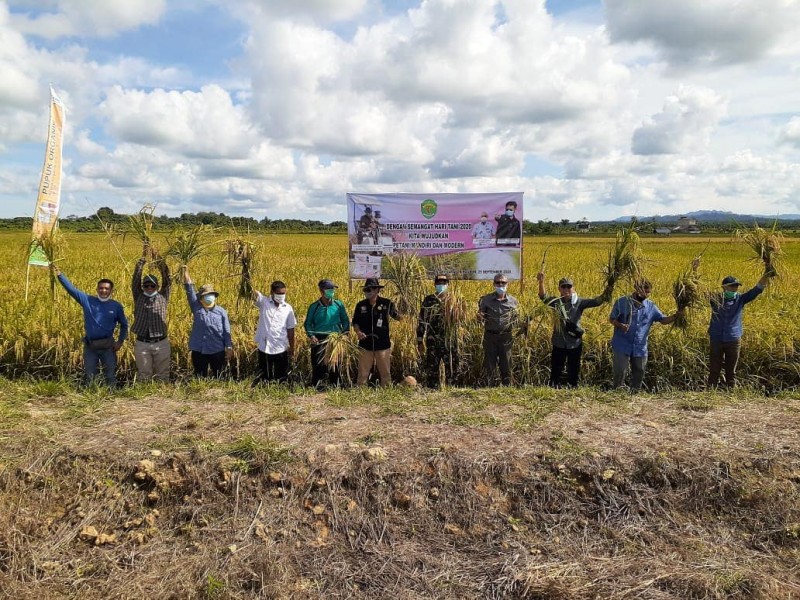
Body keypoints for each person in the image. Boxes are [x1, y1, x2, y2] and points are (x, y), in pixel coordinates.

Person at [51, 264, 128, 387]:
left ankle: (113, 397)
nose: (104, 291)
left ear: (111, 291)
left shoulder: (116, 306)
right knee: (90, 374)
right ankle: (91, 396)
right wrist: (60, 275)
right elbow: (71, 289)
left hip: (108, 346)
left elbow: (124, 325)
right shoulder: (87, 300)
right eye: (101, 288)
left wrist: (120, 342)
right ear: (97, 289)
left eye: (106, 289)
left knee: (110, 374)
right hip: (90, 346)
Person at [707, 260, 772, 388]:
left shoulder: (741, 299)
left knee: (731, 370)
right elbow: (697, 288)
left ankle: (730, 392)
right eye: (732, 286)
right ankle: (710, 392)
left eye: (736, 286)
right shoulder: (715, 299)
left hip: (733, 339)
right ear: (724, 287)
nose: (735, 288)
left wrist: (767, 273)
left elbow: (758, 289)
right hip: (716, 338)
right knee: (714, 369)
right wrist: (694, 269)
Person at [609, 279, 681, 392]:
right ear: (636, 289)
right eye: (643, 291)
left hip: (640, 346)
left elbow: (663, 320)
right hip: (622, 344)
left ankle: (634, 394)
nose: (646, 295)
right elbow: (612, 319)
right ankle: (617, 394)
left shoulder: (650, 306)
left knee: (639, 371)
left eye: (648, 292)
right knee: (620, 371)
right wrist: (620, 325)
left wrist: (676, 316)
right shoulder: (622, 302)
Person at [537, 272, 607, 388]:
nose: (566, 289)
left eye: (569, 286)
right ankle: (554, 386)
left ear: (573, 288)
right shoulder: (555, 302)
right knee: (556, 366)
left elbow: (597, 302)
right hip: (558, 341)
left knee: (574, 367)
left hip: (574, 342)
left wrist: (609, 286)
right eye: (563, 287)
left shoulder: (579, 302)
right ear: (559, 289)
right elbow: (543, 297)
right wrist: (541, 282)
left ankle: (572, 387)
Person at [131, 245, 171, 382]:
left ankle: (162, 399)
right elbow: (135, 279)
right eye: (146, 285)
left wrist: (158, 259)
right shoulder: (139, 296)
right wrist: (143, 258)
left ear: (157, 287)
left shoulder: (163, 296)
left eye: (152, 285)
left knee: (163, 374)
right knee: (144, 374)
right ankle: (144, 398)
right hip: (142, 343)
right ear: (143, 287)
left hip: (161, 342)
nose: (149, 288)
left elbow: (168, 278)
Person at [182, 267, 232, 378]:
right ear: (201, 297)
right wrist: (186, 273)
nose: (209, 297)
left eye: (211, 294)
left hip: (217, 349)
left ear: (214, 296)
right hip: (199, 349)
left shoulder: (221, 311)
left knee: (220, 376)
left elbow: (226, 331)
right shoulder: (196, 308)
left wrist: (229, 348)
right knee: (200, 376)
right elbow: (190, 291)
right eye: (206, 295)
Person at [352, 278, 400, 387]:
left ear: (377, 290)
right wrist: (358, 332)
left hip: (382, 343)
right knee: (363, 373)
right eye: (366, 289)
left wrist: (404, 307)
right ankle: (361, 391)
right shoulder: (361, 305)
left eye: (370, 289)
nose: (368, 292)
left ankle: (387, 391)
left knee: (385, 373)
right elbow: (355, 322)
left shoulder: (386, 303)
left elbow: (398, 317)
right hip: (365, 344)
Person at [304, 279, 350, 388]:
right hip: (319, 338)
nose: (331, 291)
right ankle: (318, 385)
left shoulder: (339, 305)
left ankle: (335, 385)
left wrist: (344, 334)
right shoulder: (314, 307)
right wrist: (312, 336)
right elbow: (308, 324)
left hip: (335, 339)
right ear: (321, 291)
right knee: (318, 363)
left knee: (335, 364)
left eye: (332, 289)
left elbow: (345, 321)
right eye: (329, 289)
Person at [417, 274, 459, 388]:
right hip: (433, 342)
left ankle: (452, 391)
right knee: (432, 371)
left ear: (448, 284)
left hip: (449, 342)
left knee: (452, 369)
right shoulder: (429, 300)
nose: (441, 285)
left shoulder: (454, 299)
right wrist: (420, 341)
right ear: (435, 284)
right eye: (439, 283)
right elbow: (422, 321)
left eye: (444, 282)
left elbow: (461, 319)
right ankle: (432, 393)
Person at [478, 273, 520, 386]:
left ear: (508, 284)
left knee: (506, 362)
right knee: (489, 363)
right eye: (498, 282)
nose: (500, 284)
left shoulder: (513, 301)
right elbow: (480, 317)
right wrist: (479, 317)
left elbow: (516, 319)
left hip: (506, 336)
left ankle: (507, 386)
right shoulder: (485, 299)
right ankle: (489, 386)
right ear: (494, 284)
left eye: (503, 282)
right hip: (490, 335)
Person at [252, 280, 297, 384]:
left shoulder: (287, 308)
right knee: (264, 376)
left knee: (281, 377)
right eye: (279, 293)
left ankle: (280, 393)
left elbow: (291, 329)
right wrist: (246, 274)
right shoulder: (264, 302)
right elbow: (251, 292)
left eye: (283, 293)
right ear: (272, 292)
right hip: (265, 346)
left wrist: (292, 347)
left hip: (280, 347)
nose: (281, 296)